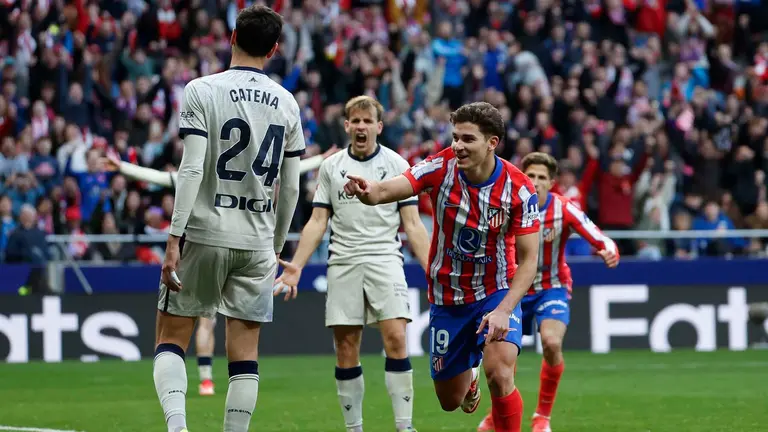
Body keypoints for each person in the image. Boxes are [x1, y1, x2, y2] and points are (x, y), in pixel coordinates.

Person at [343, 101, 542, 432]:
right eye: (455, 138)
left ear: (492, 143)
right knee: (450, 400)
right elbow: (399, 183)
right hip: (448, 297)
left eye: (468, 139)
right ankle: (469, 378)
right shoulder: (442, 164)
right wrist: (372, 192)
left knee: (501, 372)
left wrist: (505, 310)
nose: (458, 146)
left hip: (496, 291)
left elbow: (529, 260)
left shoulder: (518, 189)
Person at [153, 6, 305, 432]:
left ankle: (178, 428)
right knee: (246, 351)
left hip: (204, 230)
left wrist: (173, 239)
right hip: (257, 240)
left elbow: (192, 168)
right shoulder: (288, 103)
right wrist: (276, 246)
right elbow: (290, 188)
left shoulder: (202, 89)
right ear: (274, 48)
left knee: (170, 338)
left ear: (232, 35)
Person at [102, 147, 339, 397]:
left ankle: (205, 381)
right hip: (250, 246)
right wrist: (319, 160)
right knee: (239, 331)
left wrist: (124, 168)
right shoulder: (253, 169)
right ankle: (229, 395)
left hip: (208, 244)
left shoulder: (201, 167)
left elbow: (165, 178)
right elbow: (290, 173)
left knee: (202, 323)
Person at [274, 95, 431, 432]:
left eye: (366, 121)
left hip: (384, 257)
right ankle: (354, 428)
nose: (361, 127)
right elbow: (317, 222)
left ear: (379, 126)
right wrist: (298, 265)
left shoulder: (397, 164)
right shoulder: (331, 167)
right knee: (346, 346)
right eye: (354, 121)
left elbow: (414, 224)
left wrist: (432, 268)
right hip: (343, 260)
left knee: (396, 338)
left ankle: (404, 426)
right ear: (346, 126)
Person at [477, 152, 620, 432]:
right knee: (504, 359)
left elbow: (595, 233)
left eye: (542, 177)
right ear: (522, 177)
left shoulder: (563, 208)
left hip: (550, 288)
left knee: (552, 343)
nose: (536, 181)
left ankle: (542, 416)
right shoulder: (506, 205)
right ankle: (497, 415)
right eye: (531, 175)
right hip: (511, 290)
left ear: (551, 182)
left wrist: (608, 248)